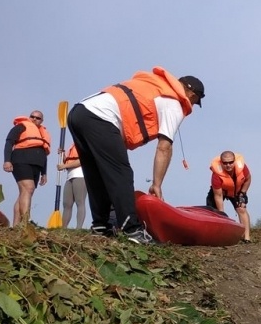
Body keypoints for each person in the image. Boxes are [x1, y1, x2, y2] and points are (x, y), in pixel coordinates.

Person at [67, 66, 205, 243]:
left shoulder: (154, 86)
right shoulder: (174, 103)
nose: (191, 106)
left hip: (79, 113)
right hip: (101, 117)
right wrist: (157, 184)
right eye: (194, 102)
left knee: (96, 174)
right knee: (121, 173)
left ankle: (101, 226)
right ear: (192, 95)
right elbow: (164, 147)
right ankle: (132, 230)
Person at [3, 110, 49, 226]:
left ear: (41, 121)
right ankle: (26, 222)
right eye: (32, 117)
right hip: (21, 160)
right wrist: (7, 160)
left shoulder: (42, 133)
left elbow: (44, 152)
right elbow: (9, 143)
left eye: (37, 118)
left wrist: (44, 172)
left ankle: (16, 225)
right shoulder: (21, 126)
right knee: (28, 188)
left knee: (26, 192)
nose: (34, 119)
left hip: (37, 165)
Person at [207, 151, 252, 243]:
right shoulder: (216, 175)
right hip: (221, 191)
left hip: (237, 190)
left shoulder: (242, 168)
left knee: (241, 208)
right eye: (225, 163)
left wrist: (242, 193)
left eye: (231, 162)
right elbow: (218, 196)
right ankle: (216, 236)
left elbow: (248, 179)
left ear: (234, 161)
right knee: (214, 212)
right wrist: (221, 213)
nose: (228, 165)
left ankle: (246, 237)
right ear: (221, 163)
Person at [56, 142, 87, 228]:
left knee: (80, 202)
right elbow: (69, 161)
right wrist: (63, 155)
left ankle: (79, 228)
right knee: (67, 204)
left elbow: (81, 160)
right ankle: (64, 228)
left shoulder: (84, 143)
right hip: (69, 176)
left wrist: (64, 166)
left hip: (80, 175)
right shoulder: (73, 145)